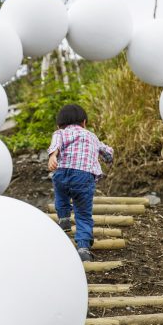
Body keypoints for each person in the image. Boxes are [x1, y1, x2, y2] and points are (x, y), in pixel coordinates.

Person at [47, 103, 114, 262]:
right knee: (83, 213)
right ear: (84, 122)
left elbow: (55, 146)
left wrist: (53, 157)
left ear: (59, 124)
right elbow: (108, 152)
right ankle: (83, 247)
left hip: (62, 172)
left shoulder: (60, 133)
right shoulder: (92, 136)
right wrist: (109, 158)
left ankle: (64, 219)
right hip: (84, 176)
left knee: (61, 195)